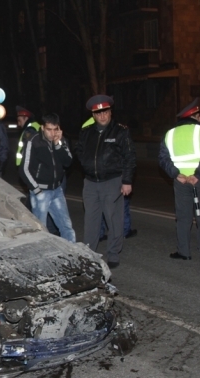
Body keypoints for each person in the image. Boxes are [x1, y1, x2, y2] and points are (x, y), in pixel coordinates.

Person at [75, 95, 136, 269]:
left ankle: (113, 253)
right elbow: (79, 150)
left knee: (113, 219)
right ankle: (89, 253)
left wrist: (127, 180)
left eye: (105, 112)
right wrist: (86, 164)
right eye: (98, 113)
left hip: (112, 181)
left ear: (110, 112)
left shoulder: (120, 131)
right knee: (91, 220)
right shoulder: (87, 132)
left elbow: (130, 157)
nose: (102, 116)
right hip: (90, 182)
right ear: (93, 115)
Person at [159, 98, 200, 260]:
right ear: (194, 116)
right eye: (199, 115)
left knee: (183, 217)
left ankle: (184, 252)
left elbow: (163, 159)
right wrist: (197, 175)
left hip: (181, 181)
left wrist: (176, 174)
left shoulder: (169, 134)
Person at [19, 113, 76, 243]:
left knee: (67, 227)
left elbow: (68, 162)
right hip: (41, 191)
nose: (52, 133)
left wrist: (58, 144)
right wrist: (36, 190)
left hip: (57, 190)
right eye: (49, 129)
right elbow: (24, 169)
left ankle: (73, 252)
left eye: (55, 129)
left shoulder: (60, 140)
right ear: (42, 128)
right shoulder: (33, 141)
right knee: (41, 231)